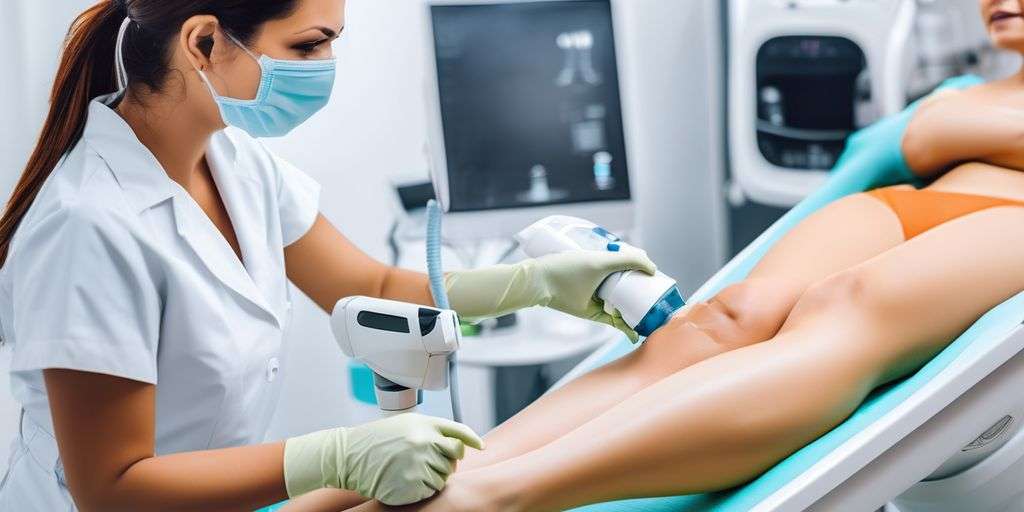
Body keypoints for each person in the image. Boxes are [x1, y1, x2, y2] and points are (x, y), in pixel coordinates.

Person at [282, 1, 1024, 510]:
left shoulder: (961, 104)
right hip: (908, 207)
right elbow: (912, 142)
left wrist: (959, 128)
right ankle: (449, 468)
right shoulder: (964, 91)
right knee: (718, 322)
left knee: (844, 307)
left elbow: (929, 134)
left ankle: (500, 493)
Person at [0, 1, 656, 510]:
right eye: (309, 45)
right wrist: (334, 458)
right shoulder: (87, 228)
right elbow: (112, 490)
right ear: (203, 42)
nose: (324, 67)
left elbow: (365, 281)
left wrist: (534, 282)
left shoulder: (234, 162)